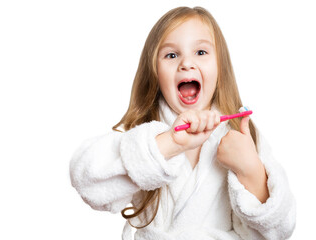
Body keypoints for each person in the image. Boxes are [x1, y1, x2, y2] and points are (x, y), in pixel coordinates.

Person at [69, 6, 296, 240]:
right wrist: (169, 144)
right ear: (155, 73)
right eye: (171, 55)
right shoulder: (147, 136)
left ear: (220, 67)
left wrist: (251, 172)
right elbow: (87, 180)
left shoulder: (242, 137)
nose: (186, 63)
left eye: (200, 52)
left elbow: (281, 228)